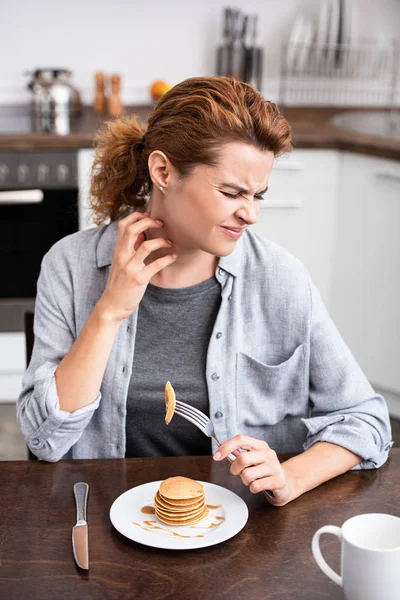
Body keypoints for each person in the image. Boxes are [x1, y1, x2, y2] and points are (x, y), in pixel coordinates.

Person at [17, 76, 392, 506]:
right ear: (163, 171)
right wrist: (110, 312)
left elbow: (366, 419)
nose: (249, 214)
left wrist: (291, 477)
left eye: (258, 196)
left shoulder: (281, 279)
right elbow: (44, 441)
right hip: (107, 528)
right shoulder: (70, 267)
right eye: (231, 192)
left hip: (243, 534)